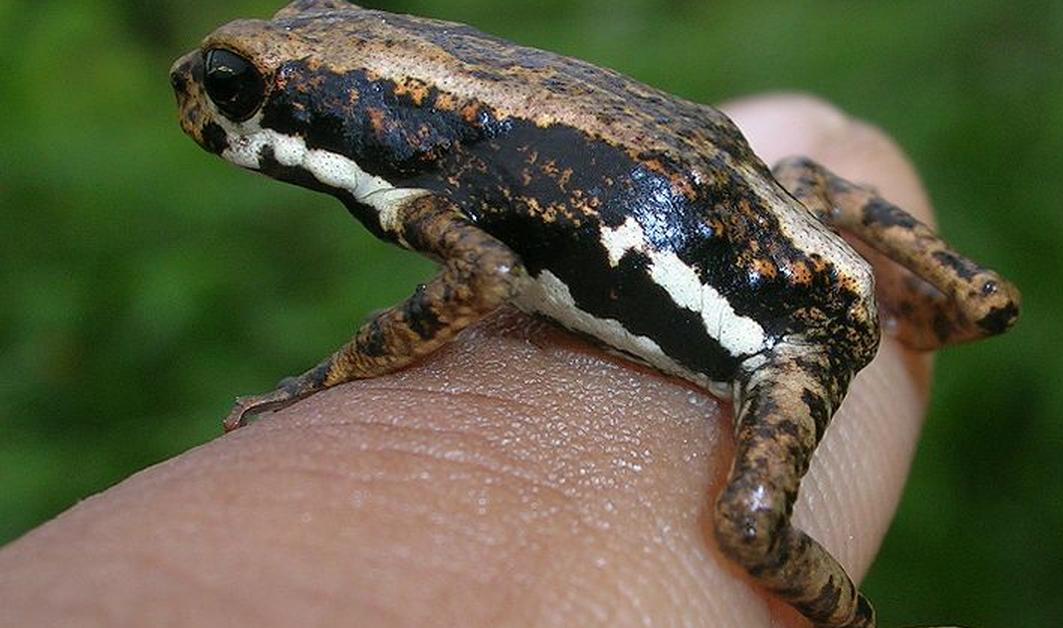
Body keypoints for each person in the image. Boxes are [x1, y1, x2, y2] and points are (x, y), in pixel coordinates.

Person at [0, 94, 935, 627]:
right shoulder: (435, 150)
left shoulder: (420, 183)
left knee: (746, 530)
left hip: (790, 333)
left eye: (229, 85)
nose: (194, 94)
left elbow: (481, 275)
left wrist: (350, 361)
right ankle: (957, 297)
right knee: (805, 178)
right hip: (765, 203)